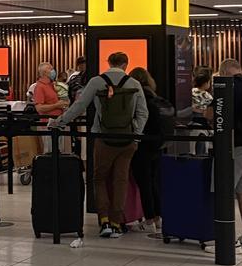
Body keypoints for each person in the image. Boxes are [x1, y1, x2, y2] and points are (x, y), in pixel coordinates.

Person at [51, 51, 148, 239]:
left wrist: (60, 122)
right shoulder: (134, 84)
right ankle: (116, 222)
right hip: (127, 140)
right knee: (121, 180)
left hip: (103, 138)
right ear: (125, 65)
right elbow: (143, 113)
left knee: (99, 178)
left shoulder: (96, 81)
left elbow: (79, 106)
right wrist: (136, 136)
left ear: (109, 62)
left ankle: (104, 220)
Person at [204, 58, 242, 251]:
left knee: (224, 188)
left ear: (224, 72)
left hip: (236, 144)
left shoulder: (229, 86)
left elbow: (211, 114)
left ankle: (226, 240)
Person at [128, 67, 168, 233]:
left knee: (143, 183)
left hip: (142, 144)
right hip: (157, 144)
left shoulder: (137, 96)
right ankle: (158, 218)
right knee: (153, 182)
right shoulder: (154, 95)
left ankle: (149, 219)